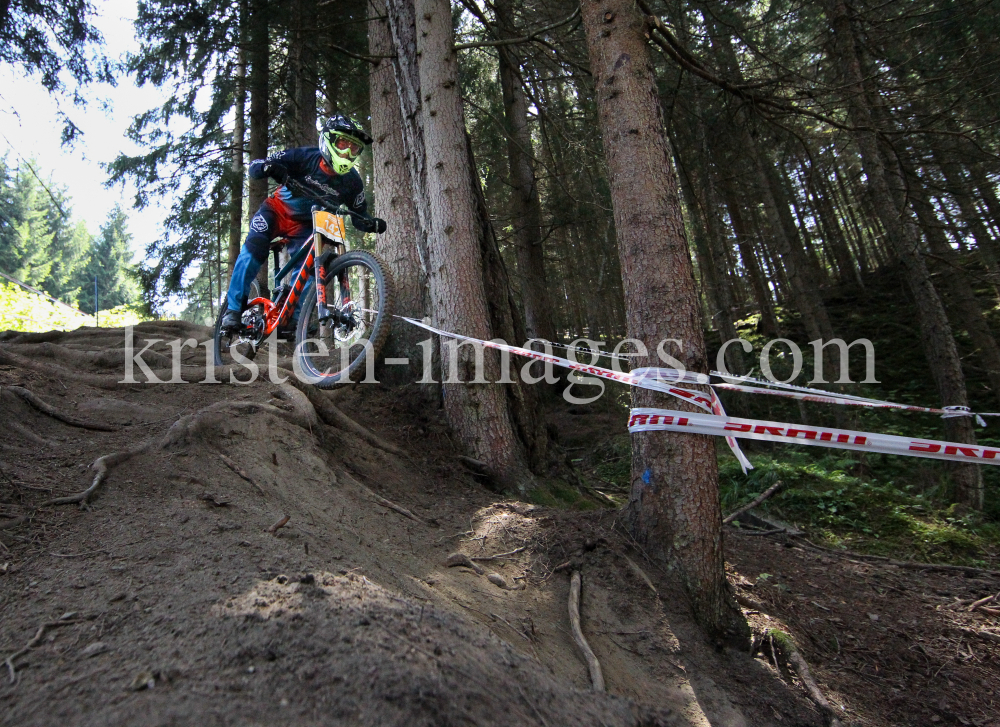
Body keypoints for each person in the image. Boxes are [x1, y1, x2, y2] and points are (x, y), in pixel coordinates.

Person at [220, 114, 386, 333]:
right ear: (328, 141)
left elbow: (359, 216)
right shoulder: (305, 156)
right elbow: (256, 166)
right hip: (277, 211)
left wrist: (371, 224)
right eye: (343, 144)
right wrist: (269, 168)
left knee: (310, 270)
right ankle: (232, 311)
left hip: (307, 226)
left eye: (354, 149)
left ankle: (296, 321)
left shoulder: (352, 182)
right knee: (253, 251)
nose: (347, 152)